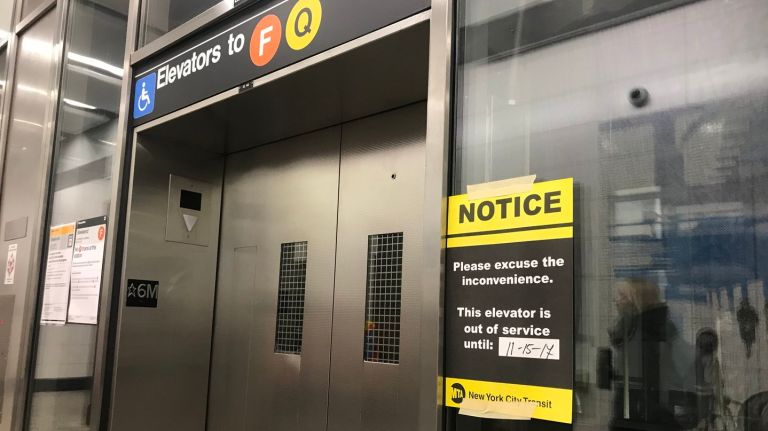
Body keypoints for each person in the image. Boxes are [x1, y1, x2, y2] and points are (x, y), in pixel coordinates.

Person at [607, 277, 697, 430]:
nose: (616, 301)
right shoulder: (638, 331)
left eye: (622, 296)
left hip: (644, 418)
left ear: (635, 301)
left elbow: (688, 368)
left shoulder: (643, 332)